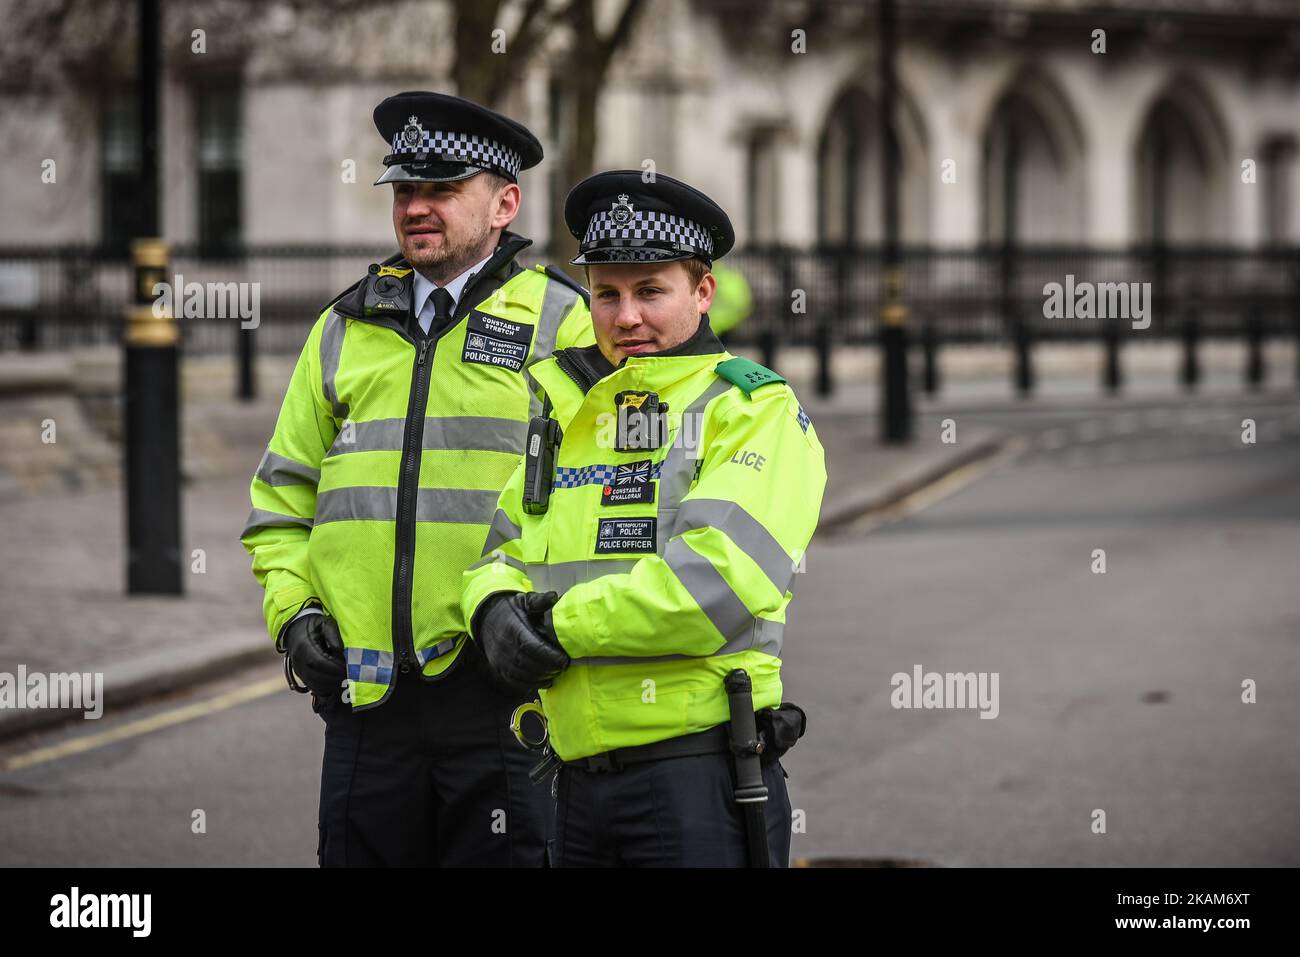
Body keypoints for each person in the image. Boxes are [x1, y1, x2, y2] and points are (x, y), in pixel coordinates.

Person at [240, 91, 594, 867]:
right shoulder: (345, 326)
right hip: (368, 706)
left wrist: (550, 623)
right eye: (405, 190)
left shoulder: (567, 324)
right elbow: (281, 498)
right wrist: (295, 615)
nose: (416, 208)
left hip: (506, 700)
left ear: (505, 203)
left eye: (441, 190)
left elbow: (611, 500)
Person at [462, 170, 826, 867]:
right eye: (607, 293)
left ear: (703, 291)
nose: (625, 316)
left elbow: (711, 587)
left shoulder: (752, 411)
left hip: (696, 776)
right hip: (575, 783)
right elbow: (501, 551)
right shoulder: (574, 411)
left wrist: (550, 625)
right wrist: (492, 612)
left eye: (650, 291)